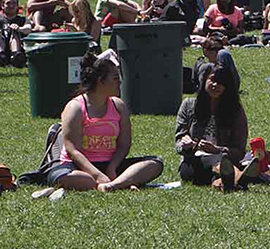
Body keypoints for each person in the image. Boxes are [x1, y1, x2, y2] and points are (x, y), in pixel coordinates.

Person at [41, 50, 164, 193]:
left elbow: (124, 145)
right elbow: (72, 150)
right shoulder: (75, 108)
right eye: (115, 78)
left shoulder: (119, 106)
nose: (120, 82)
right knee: (66, 177)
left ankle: (111, 185)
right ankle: (120, 182)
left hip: (110, 164)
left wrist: (112, 168)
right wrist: (97, 174)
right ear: (101, 80)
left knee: (155, 164)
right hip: (78, 166)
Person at [174, 58, 248, 189]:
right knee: (209, 165)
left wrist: (217, 149)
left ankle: (224, 181)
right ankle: (237, 178)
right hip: (195, 160)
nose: (215, 85)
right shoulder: (189, 105)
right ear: (204, 81)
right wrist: (186, 144)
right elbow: (179, 142)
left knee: (220, 161)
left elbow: (239, 151)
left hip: (225, 159)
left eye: (221, 83)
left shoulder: (235, 110)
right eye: (212, 80)